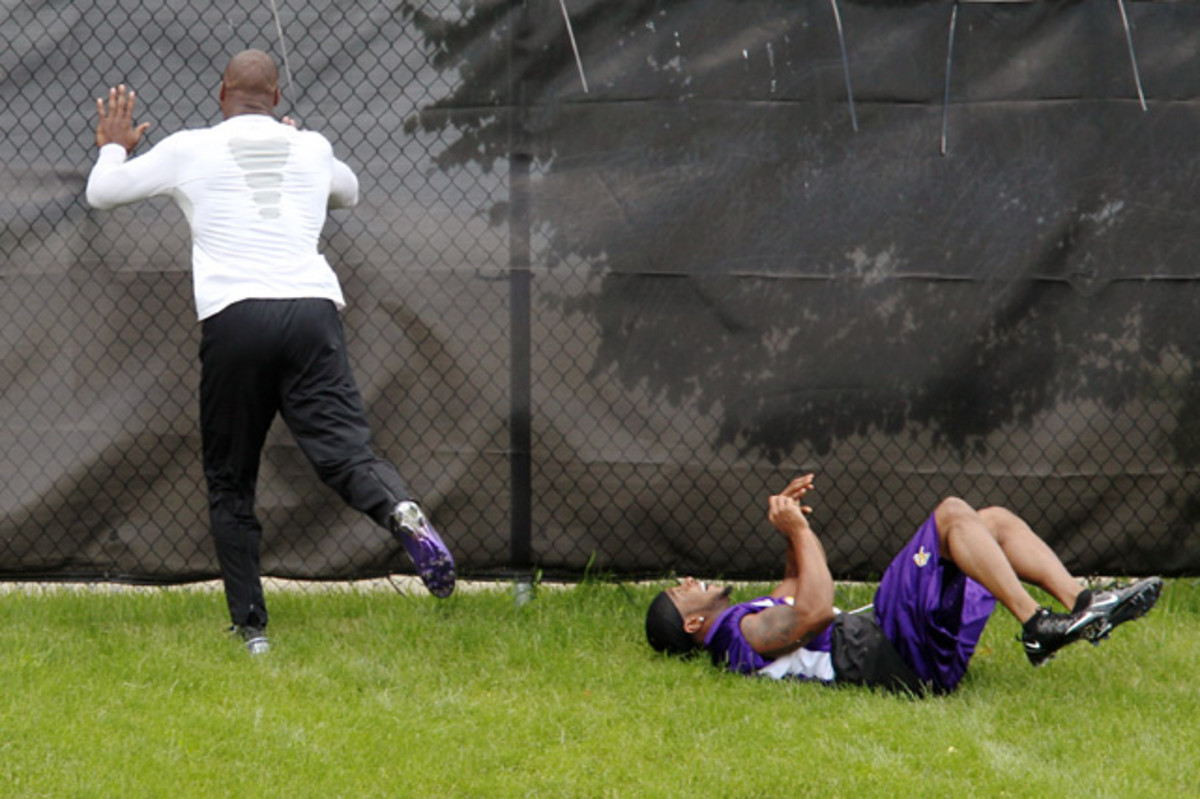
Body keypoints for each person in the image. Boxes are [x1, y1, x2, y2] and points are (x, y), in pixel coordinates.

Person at [86, 49, 456, 655]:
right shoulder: (311, 148)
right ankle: (399, 508)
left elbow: (103, 193)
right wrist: (300, 145)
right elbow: (350, 192)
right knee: (346, 455)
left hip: (236, 318)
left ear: (221, 92)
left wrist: (113, 144)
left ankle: (253, 629)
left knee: (232, 479)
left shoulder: (189, 148)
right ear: (277, 99)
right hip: (311, 312)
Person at [645, 474, 1162, 695]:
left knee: (991, 523)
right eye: (680, 590)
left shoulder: (744, 627)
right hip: (888, 649)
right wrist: (802, 531)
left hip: (901, 654)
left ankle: (1082, 605)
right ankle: (1035, 624)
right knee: (952, 515)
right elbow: (816, 611)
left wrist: (789, 530)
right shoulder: (737, 639)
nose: (687, 580)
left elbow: (791, 591)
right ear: (692, 622)